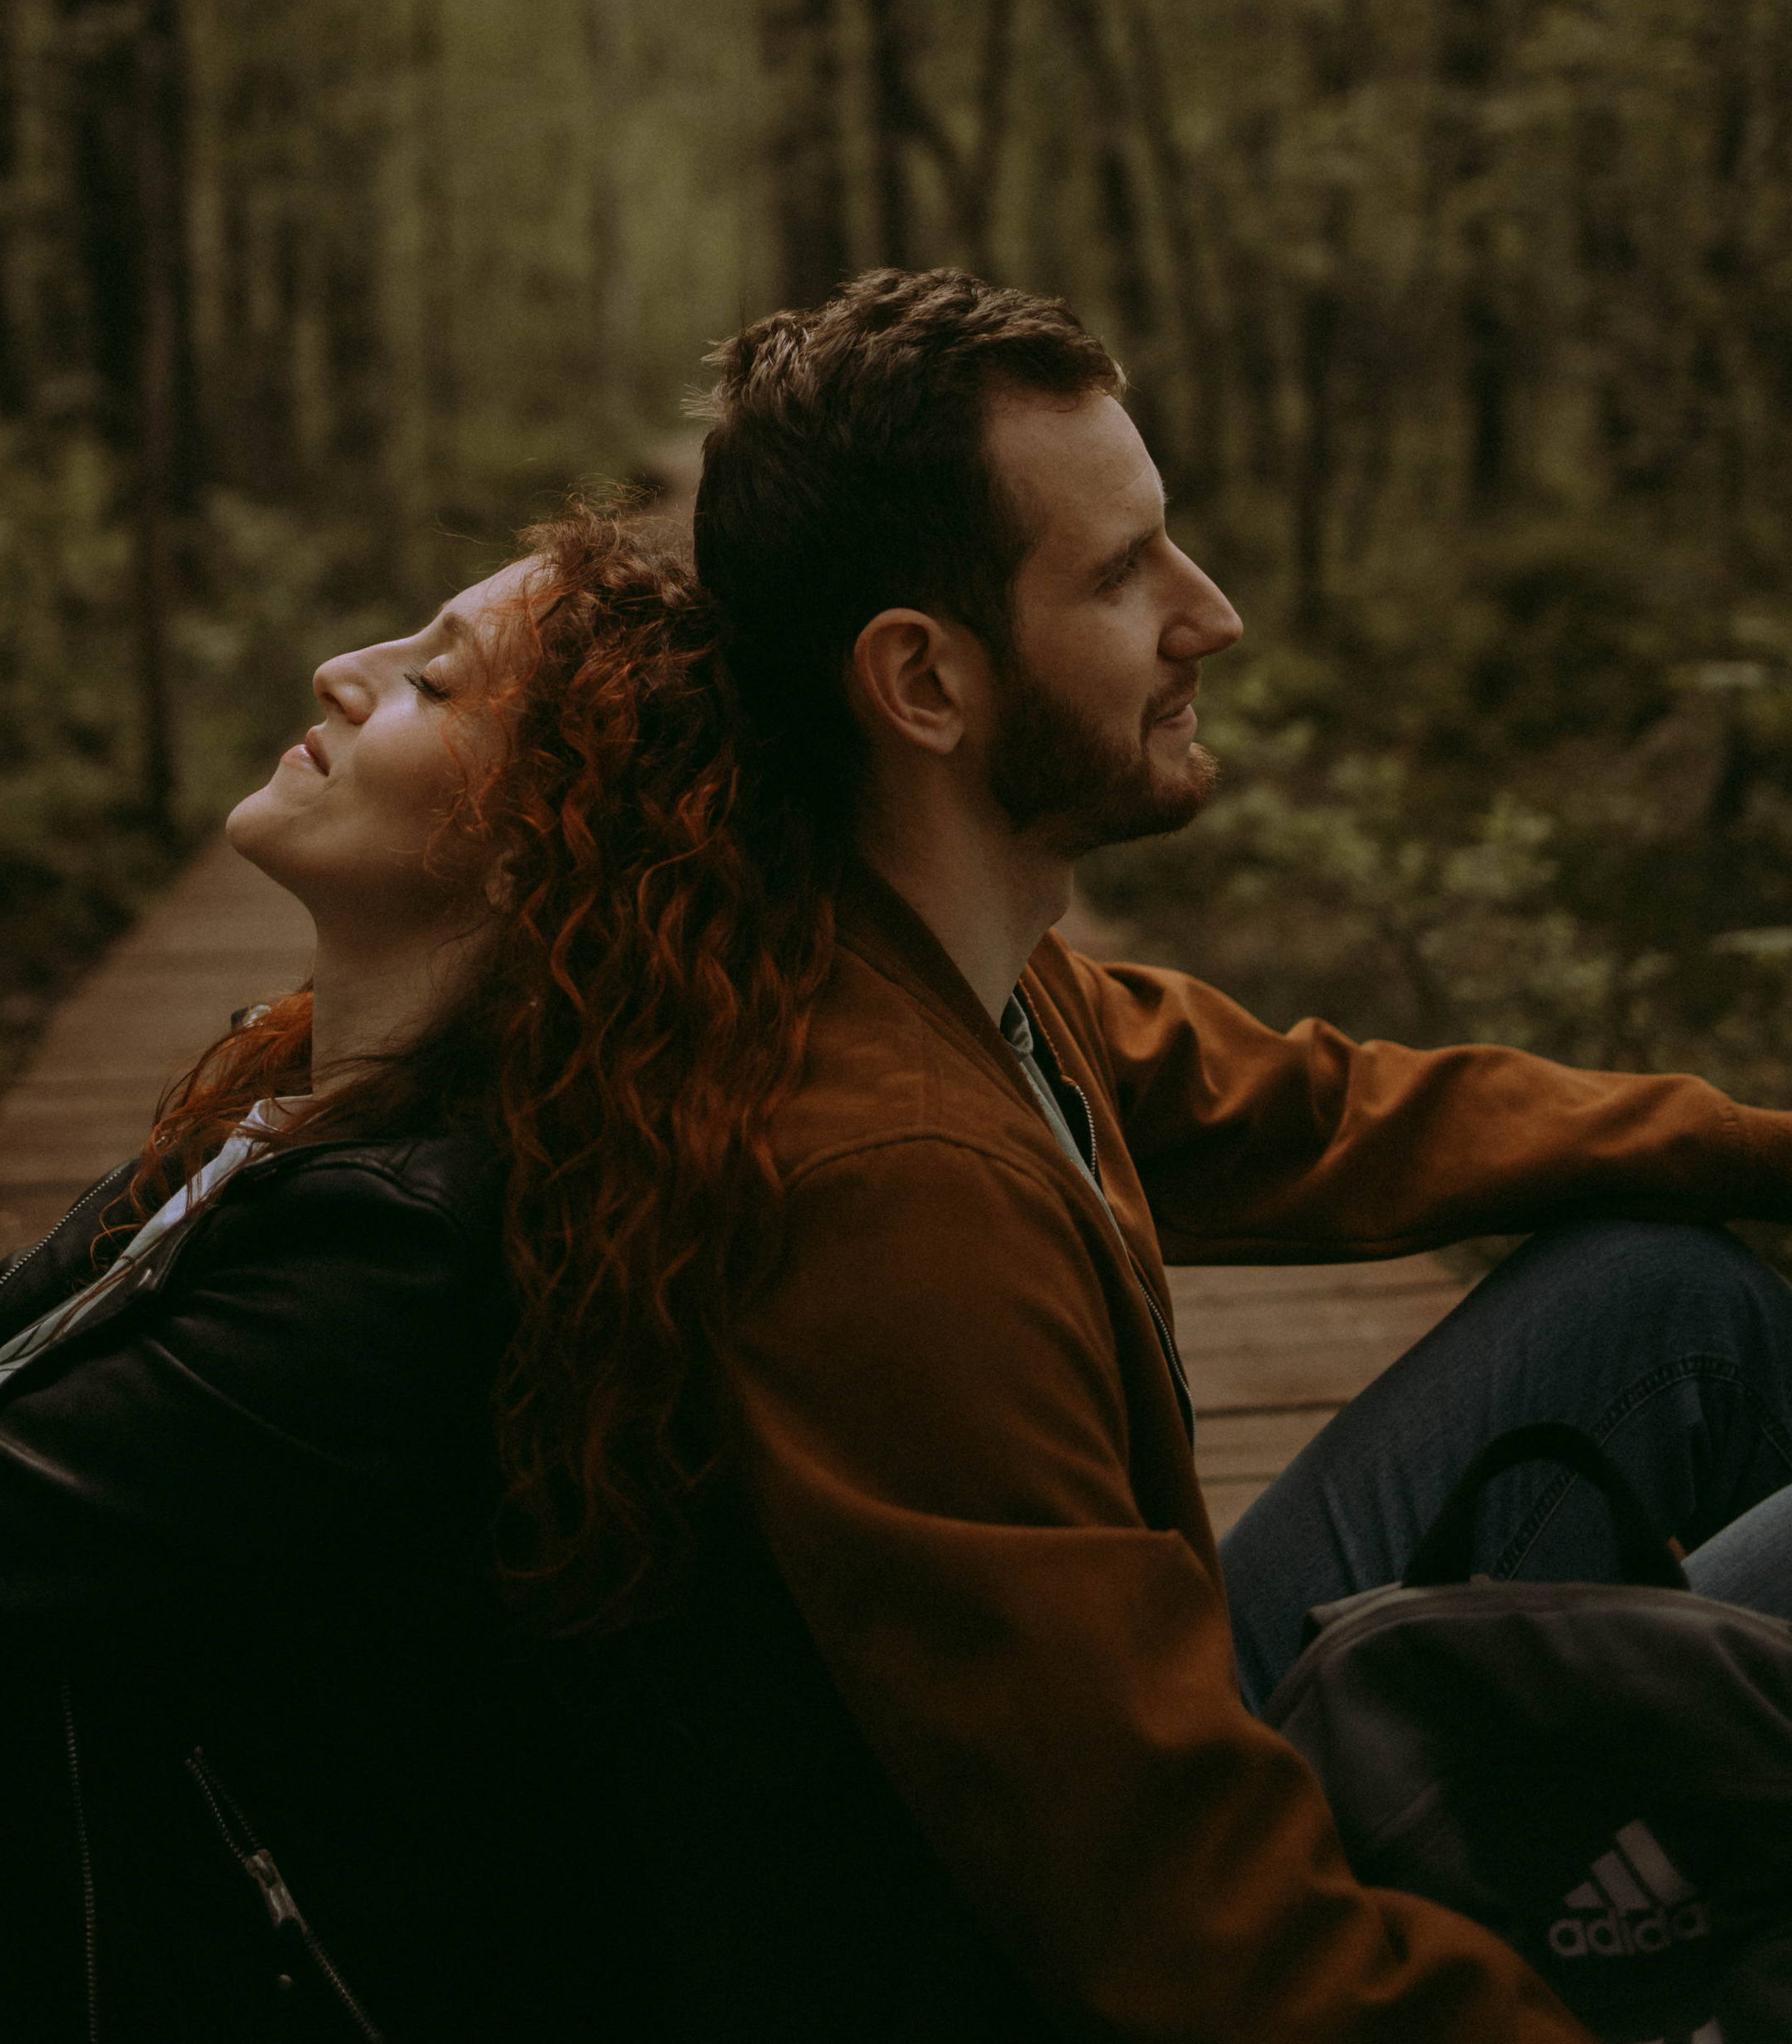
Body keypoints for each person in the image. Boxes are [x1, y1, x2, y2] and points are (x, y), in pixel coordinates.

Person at [524, 265, 1792, 2043]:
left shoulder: (945, 964)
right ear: (921, 681)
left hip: (1130, 1730)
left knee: (1677, 1298)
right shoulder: (891, 1193)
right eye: (1121, 576)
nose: (1214, 614)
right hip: (1055, 1949)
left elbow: (1333, 1111)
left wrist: (1763, 1148)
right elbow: (1173, 1929)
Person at [0, 514, 827, 2044]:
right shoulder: (324, 1102)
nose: (345, 672)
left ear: (545, 826)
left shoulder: (407, 1258)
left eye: (434, 683)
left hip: (143, 1967)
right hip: (69, 1797)